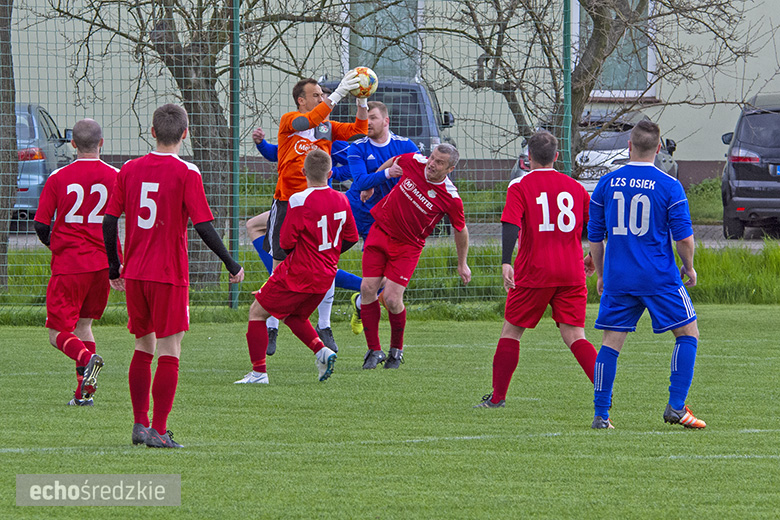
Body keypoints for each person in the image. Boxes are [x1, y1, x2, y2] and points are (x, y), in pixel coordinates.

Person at [103, 104, 244, 448]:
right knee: (170, 347)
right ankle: (160, 431)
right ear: (185, 134)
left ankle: (139, 424)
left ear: (152, 132)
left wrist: (114, 266)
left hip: (135, 272)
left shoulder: (129, 169)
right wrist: (231, 263)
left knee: (142, 344)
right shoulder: (187, 172)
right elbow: (204, 226)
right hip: (168, 273)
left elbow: (108, 221)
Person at [587, 119, 705, 430]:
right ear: (658, 148)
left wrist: (601, 275)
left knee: (610, 343)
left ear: (629, 147)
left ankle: (601, 416)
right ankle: (676, 407)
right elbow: (684, 238)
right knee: (688, 334)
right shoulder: (669, 185)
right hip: (658, 276)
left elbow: (596, 238)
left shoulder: (606, 184)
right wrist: (689, 267)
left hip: (619, 277)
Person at [242, 73, 367, 361]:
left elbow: (360, 129)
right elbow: (306, 122)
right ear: (302, 100)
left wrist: (362, 98)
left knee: (324, 262)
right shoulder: (291, 121)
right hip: (287, 203)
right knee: (279, 261)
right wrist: (336, 97)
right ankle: (271, 324)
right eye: (316, 95)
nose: (321, 98)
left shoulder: (325, 126)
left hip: (320, 203)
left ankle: (324, 325)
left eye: (323, 95)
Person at [473, 131, 598, 408]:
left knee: (511, 332)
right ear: (557, 156)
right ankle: (603, 391)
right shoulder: (575, 188)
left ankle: (497, 398)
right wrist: (592, 256)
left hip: (534, 271)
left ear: (528, 157)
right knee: (576, 336)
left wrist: (506, 261)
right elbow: (597, 226)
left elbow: (510, 223)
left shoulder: (519, 185)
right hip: (571, 272)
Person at [236, 148, 358, 385]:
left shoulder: (298, 199)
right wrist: (328, 253)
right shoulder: (342, 199)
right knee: (294, 316)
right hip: (326, 276)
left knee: (256, 312)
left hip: (299, 273)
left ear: (303, 172)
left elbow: (285, 242)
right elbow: (351, 238)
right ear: (331, 173)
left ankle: (259, 372)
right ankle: (322, 352)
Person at [359, 144, 471, 369]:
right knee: (367, 289)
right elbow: (395, 160)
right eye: (432, 158)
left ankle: (396, 351)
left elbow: (461, 229)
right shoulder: (416, 161)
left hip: (407, 247)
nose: (432, 164)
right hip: (380, 231)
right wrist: (372, 183)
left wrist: (462, 264)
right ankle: (374, 350)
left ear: (450, 169)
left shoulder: (450, 197)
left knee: (391, 299)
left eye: (439, 163)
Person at [33, 118, 116, 406]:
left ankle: (85, 357)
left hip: (69, 265)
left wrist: (54, 245)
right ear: (101, 143)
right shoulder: (116, 176)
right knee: (84, 325)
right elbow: (118, 221)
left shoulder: (58, 177)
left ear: (72, 144)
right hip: (102, 265)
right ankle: (84, 394)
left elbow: (41, 224)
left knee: (57, 333)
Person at [345, 101, 420, 335]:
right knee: (324, 260)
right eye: (365, 118)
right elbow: (359, 183)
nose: (367, 123)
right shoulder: (357, 147)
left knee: (386, 281)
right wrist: (386, 174)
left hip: (392, 221)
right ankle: (323, 320)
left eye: (373, 118)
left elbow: (418, 176)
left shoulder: (405, 146)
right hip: (360, 214)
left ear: (386, 121)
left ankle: (360, 304)